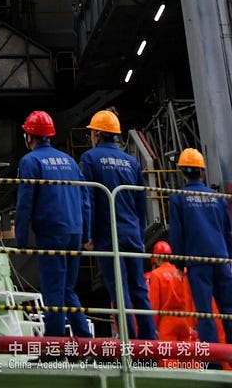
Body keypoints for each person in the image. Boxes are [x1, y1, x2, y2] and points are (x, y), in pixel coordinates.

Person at [14, 110, 92, 340]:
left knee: (53, 291)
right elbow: (85, 199)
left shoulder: (30, 161)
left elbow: (25, 202)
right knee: (67, 289)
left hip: (52, 233)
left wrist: (20, 238)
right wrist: (85, 233)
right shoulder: (69, 161)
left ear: (29, 136)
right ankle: (86, 343)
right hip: (75, 232)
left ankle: (54, 348)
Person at [79, 109, 156, 340]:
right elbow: (141, 203)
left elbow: (89, 199)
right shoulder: (131, 162)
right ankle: (149, 344)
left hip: (107, 234)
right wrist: (140, 235)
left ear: (98, 135)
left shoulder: (90, 159)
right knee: (139, 290)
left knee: (119, 291)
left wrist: (88, 234)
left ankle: (130, 345)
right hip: (132, 234)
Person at [169, 147, 232, 362]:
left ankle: (213, 360)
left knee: (205, 312)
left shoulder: (179, 198)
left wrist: (178, 262)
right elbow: (227, 231)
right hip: (221, 258)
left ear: (182, 172)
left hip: (198, 262)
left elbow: (177, 233)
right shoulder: (218, 198)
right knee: (228, 309)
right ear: (202, 172)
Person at [145, 240, 195, 365]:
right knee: (187, 358)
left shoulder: (156, 275)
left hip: (167, 322)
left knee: (168, 359)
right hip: (184, 320)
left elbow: (154, 303)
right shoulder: (180, 273)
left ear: (156, 258)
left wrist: (154, 325)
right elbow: (188, 297)